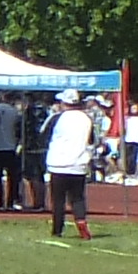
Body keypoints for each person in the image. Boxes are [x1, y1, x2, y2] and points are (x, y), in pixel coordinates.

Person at [44, 89, 98, 240]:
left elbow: (44, 135)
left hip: (58, 163)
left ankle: (57, 230)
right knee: (78, 198)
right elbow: (92, 140)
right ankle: (81, 221)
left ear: (63, 103)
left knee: (58, 200)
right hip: (79, 164)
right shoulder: (87, 119)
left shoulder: (57, 118)